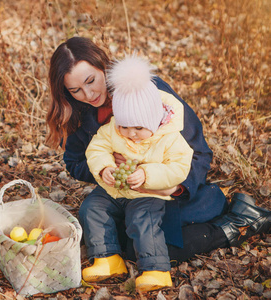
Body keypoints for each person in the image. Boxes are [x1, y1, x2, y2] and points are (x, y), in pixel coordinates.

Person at [45, 36, 271, 290]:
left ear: (102, 66)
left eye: (91, 81)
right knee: (100, 226)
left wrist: (173, 187)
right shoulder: (77, 109)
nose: (88, 94)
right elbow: (75, 162)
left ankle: (237, 223)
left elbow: (197, 152)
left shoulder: (148, 93)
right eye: (75, 90)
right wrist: (109, 168)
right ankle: (112, 257)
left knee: (151, 245)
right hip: (122, 189)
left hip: (167, 188)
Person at [84, 54, 194, 291]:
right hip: (114, 190)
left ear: (154, 122)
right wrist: (104, 167)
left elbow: (179, 167)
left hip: (148, 194)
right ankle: (107, 258)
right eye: (124, 126)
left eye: (138, 128)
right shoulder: (111, 130)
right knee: (93, 207)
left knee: (143, 221)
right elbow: (97, 148)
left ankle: (156, 270)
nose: (130, 133)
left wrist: (147, 174)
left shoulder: (170, 139)